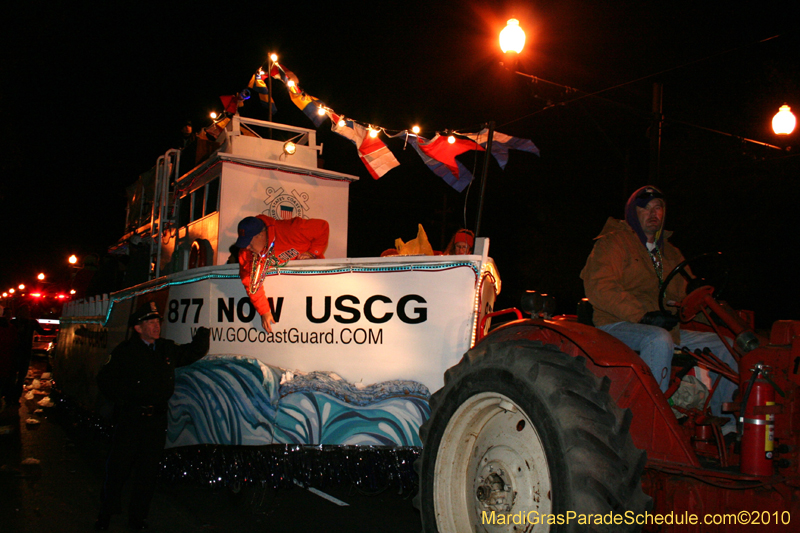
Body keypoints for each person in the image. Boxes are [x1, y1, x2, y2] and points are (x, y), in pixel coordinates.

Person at [581, 185, 737, 432]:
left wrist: (725, 319)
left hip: (663, 326)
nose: (653, 213)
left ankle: (726, 427)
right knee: (658, 339)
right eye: (645, 208)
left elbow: (687, 297)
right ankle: (652, 423)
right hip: (617, 325)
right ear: (634, 212)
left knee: (726, 345)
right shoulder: (614, 243)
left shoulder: (670, 252)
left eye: (658, 208)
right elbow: (600, 287)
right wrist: (641, 315)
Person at [95, 302, 210, 530]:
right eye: (151, 322)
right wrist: (127, 399)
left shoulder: (166, 349)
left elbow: (192, 352)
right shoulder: (125, 352)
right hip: (131, 419)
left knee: (147, 473)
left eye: (158, 322)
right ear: (138, 328)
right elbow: (105, 381)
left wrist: (204, 331)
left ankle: (137, 518)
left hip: (156, 422)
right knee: (118, 469)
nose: (157, 326)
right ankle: (106, 514)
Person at [235, 215, 329, 332]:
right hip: (289, 295)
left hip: (313, 287)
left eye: (249, 242)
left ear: (261, 235)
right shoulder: (247, 254)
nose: (247, 247)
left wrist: (313, 253)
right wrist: (264, 311)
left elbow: (322, 227)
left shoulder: (290, 230)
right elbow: (251, 283)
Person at [9, 304, 45, 405]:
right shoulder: (17, 322)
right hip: (16, 352)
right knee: (13, 376)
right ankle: (11, 397)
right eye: (25, 310)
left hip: (23, 352)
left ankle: (14, 398)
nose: (27, 312)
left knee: (19, 377)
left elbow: (41, 332)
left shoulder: (30, 322)